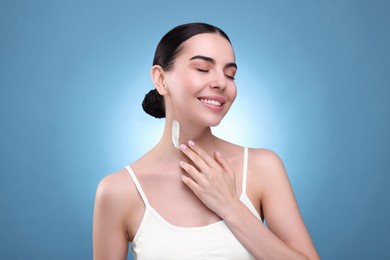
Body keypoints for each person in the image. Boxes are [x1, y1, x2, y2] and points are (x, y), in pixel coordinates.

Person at [93, 22, 320, 260]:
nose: (221, 82)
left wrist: (231, 207)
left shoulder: (262, 168)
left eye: (230, 74)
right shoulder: (118, 191)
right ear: (161, 79)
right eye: (202, 69)